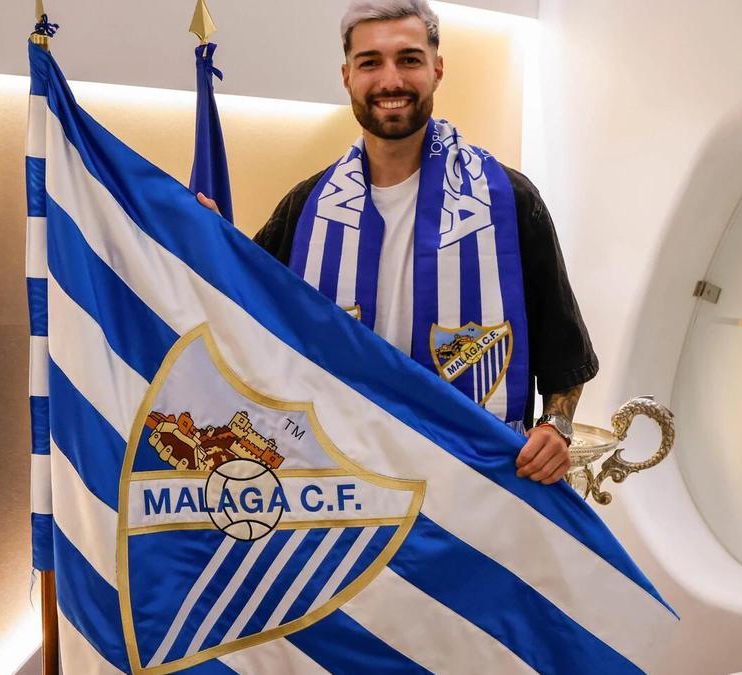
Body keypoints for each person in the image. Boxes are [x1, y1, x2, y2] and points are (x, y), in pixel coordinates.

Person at [198, 0, 596, 485]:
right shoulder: (306, 209)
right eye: (370, 62)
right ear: (346, 76)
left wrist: (556, 428)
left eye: (409, 59)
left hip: (476, 487)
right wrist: (204, 246)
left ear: (437, 69)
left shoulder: (510, 202)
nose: (391, 80)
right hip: (344, 485)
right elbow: (248, 311)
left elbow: (565, 355)